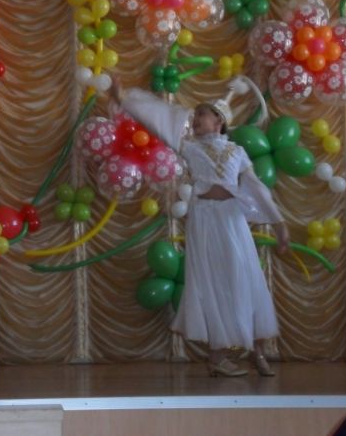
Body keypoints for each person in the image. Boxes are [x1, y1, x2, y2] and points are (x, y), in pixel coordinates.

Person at [110, 78, 290, 377]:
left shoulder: (237, 152)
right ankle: (217, 357)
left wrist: (279, 222)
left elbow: (256, 187)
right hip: (205, 220)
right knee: (211, 283)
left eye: (201, 115)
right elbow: (160, 121)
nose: (194, 120)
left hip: (231, 219)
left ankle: (258, 351)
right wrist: (125, 99)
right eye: (193, 117)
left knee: (246, 278)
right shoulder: (190, 148)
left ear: (219, 121)